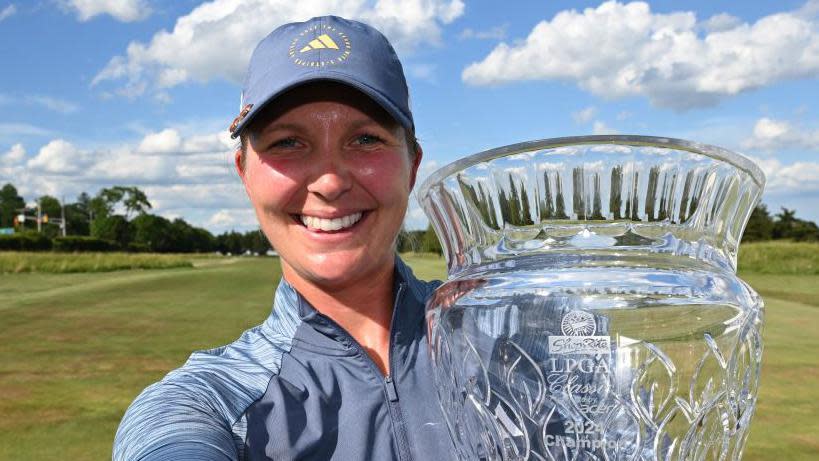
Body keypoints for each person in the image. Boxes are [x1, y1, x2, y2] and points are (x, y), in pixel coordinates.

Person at [112, 15, 456, 461]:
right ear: (245, 174)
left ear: (412, 166)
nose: (330, 182)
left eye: (366, 138)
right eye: (287, 143)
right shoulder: (210, 401)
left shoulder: (505, 340)